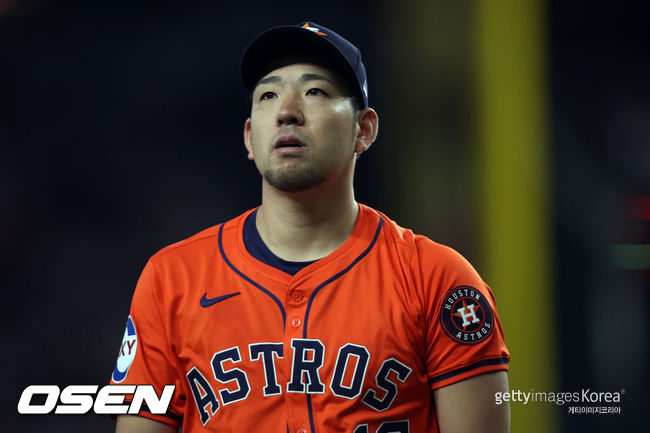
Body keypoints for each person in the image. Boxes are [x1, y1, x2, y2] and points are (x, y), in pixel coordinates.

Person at [112, 21, 511, 433]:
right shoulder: (170, 279)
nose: (286, 111)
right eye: (267, 95)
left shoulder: (437, 280)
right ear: (250, 137)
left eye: (315, 91)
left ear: (364, 129)